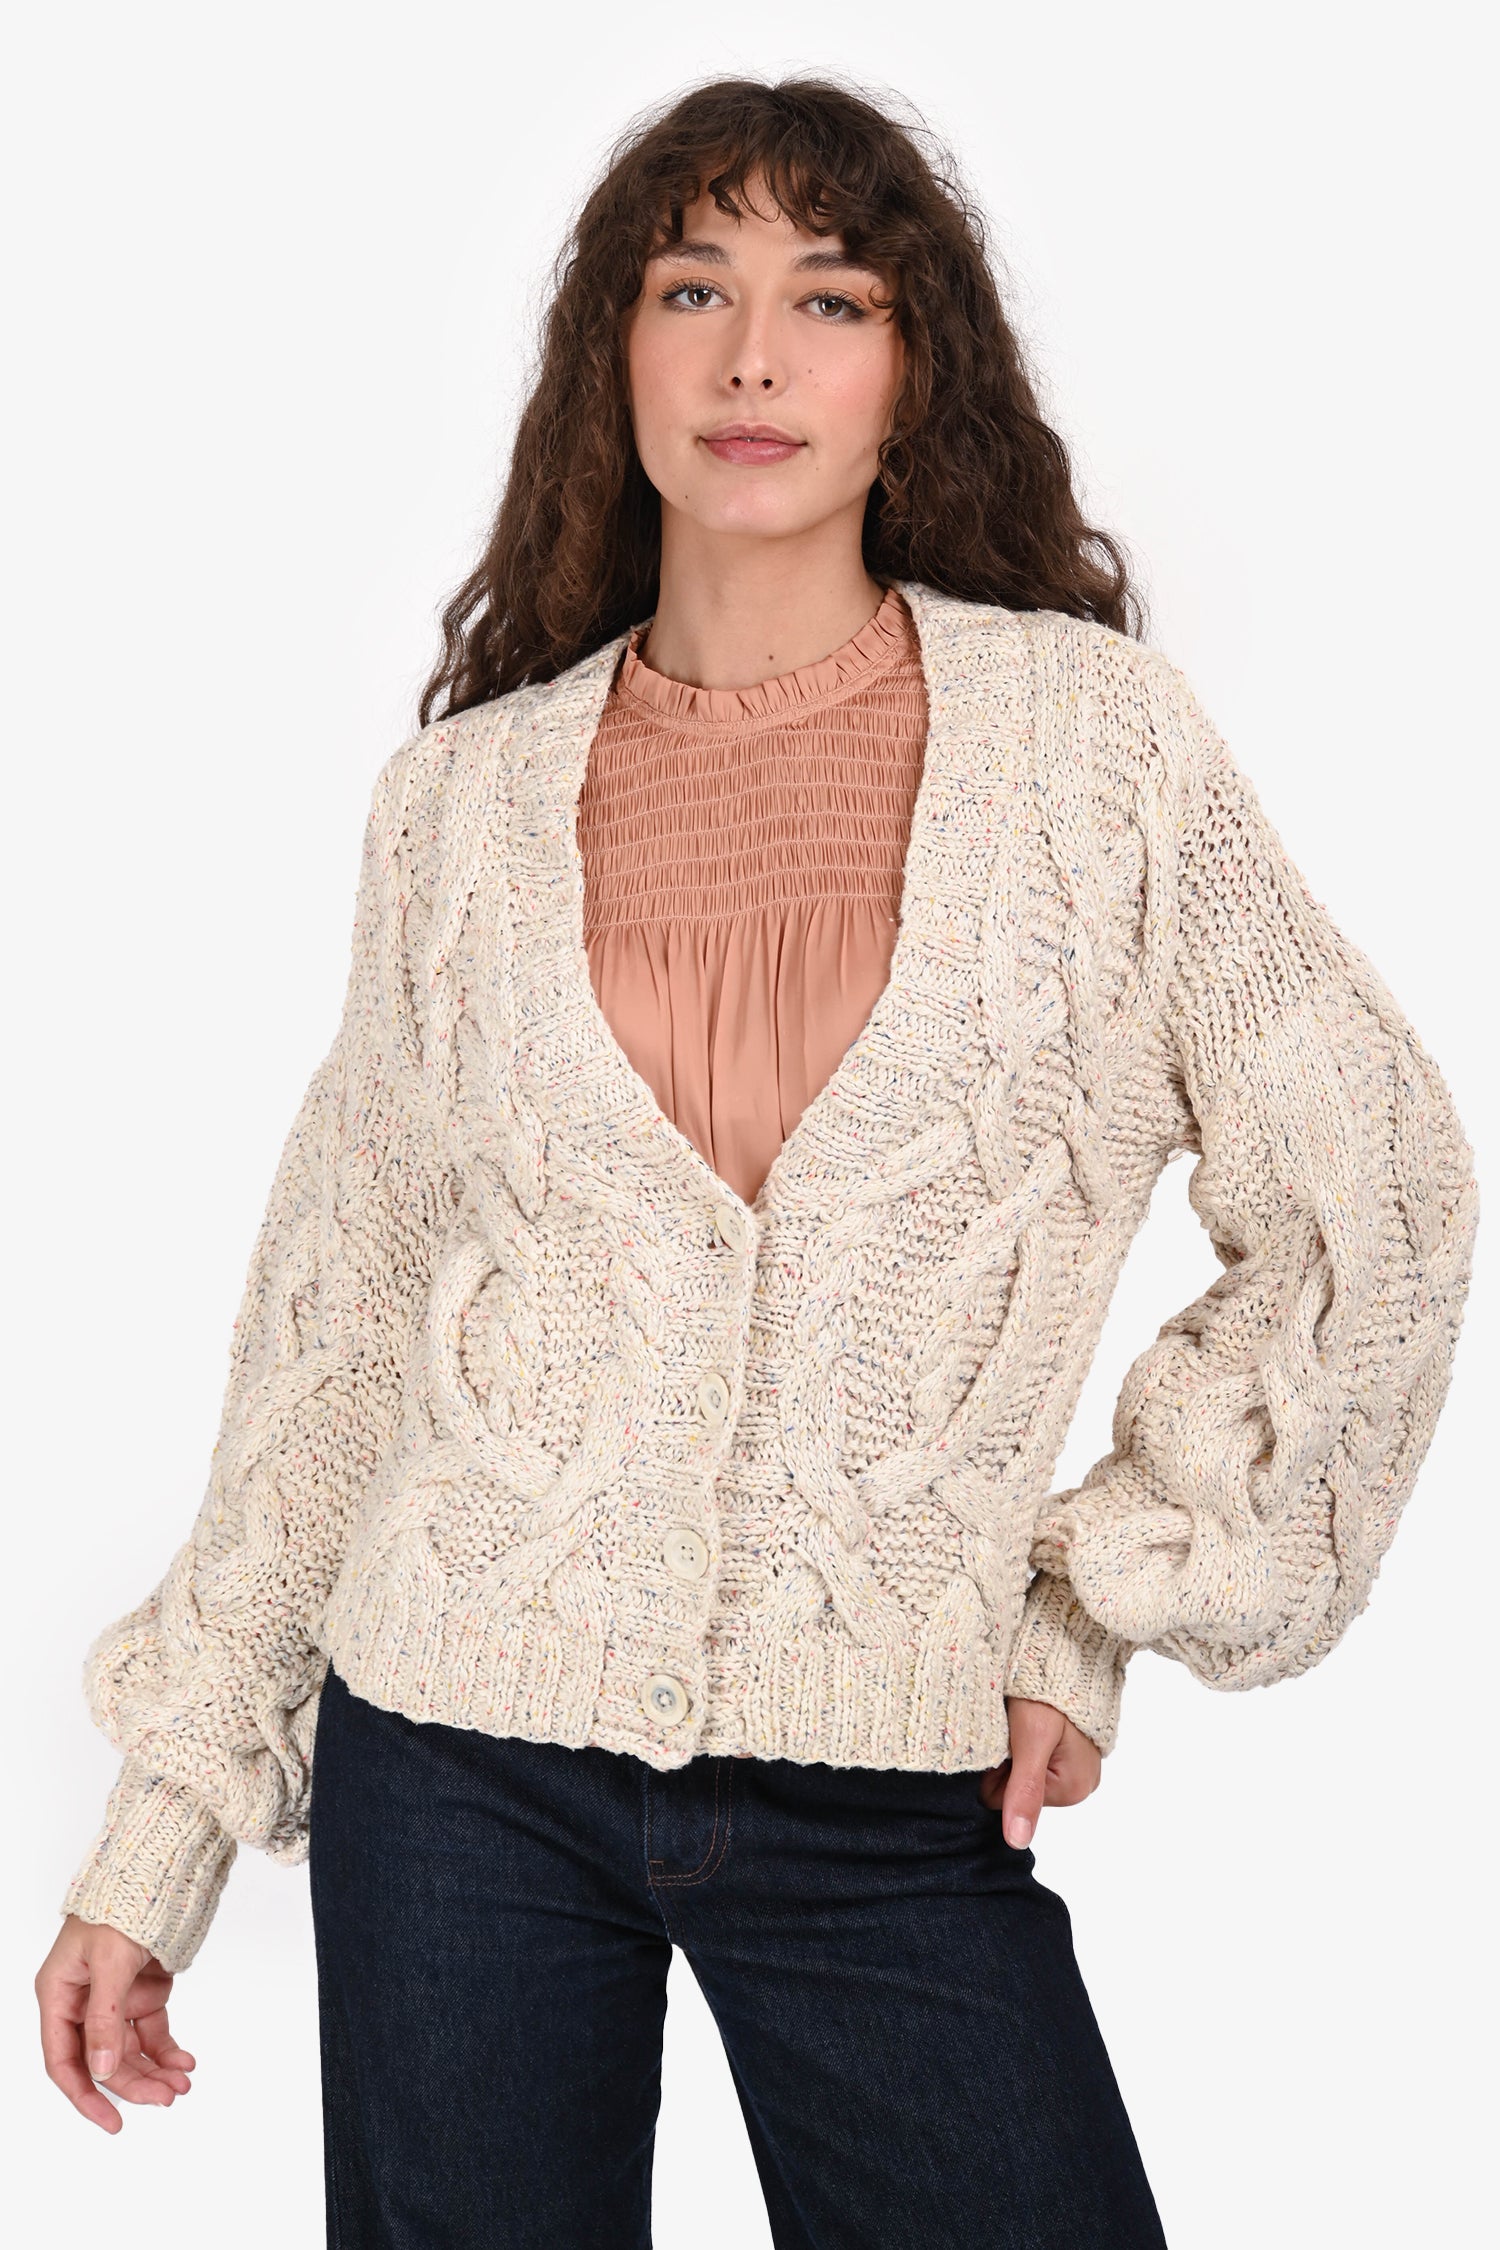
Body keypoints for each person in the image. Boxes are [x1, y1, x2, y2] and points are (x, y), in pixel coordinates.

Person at [36, 74, 1479, 2250]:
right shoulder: (461, 812)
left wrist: (1086, 1608)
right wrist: (162, 1834)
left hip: (889, 1781)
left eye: (831, 298)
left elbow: (1376, 1188)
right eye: (692, 288)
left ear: (915, 372)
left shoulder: (1096, 757)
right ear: (612, 355)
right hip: (457, 1766)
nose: (752, 358)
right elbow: (340, 1329)